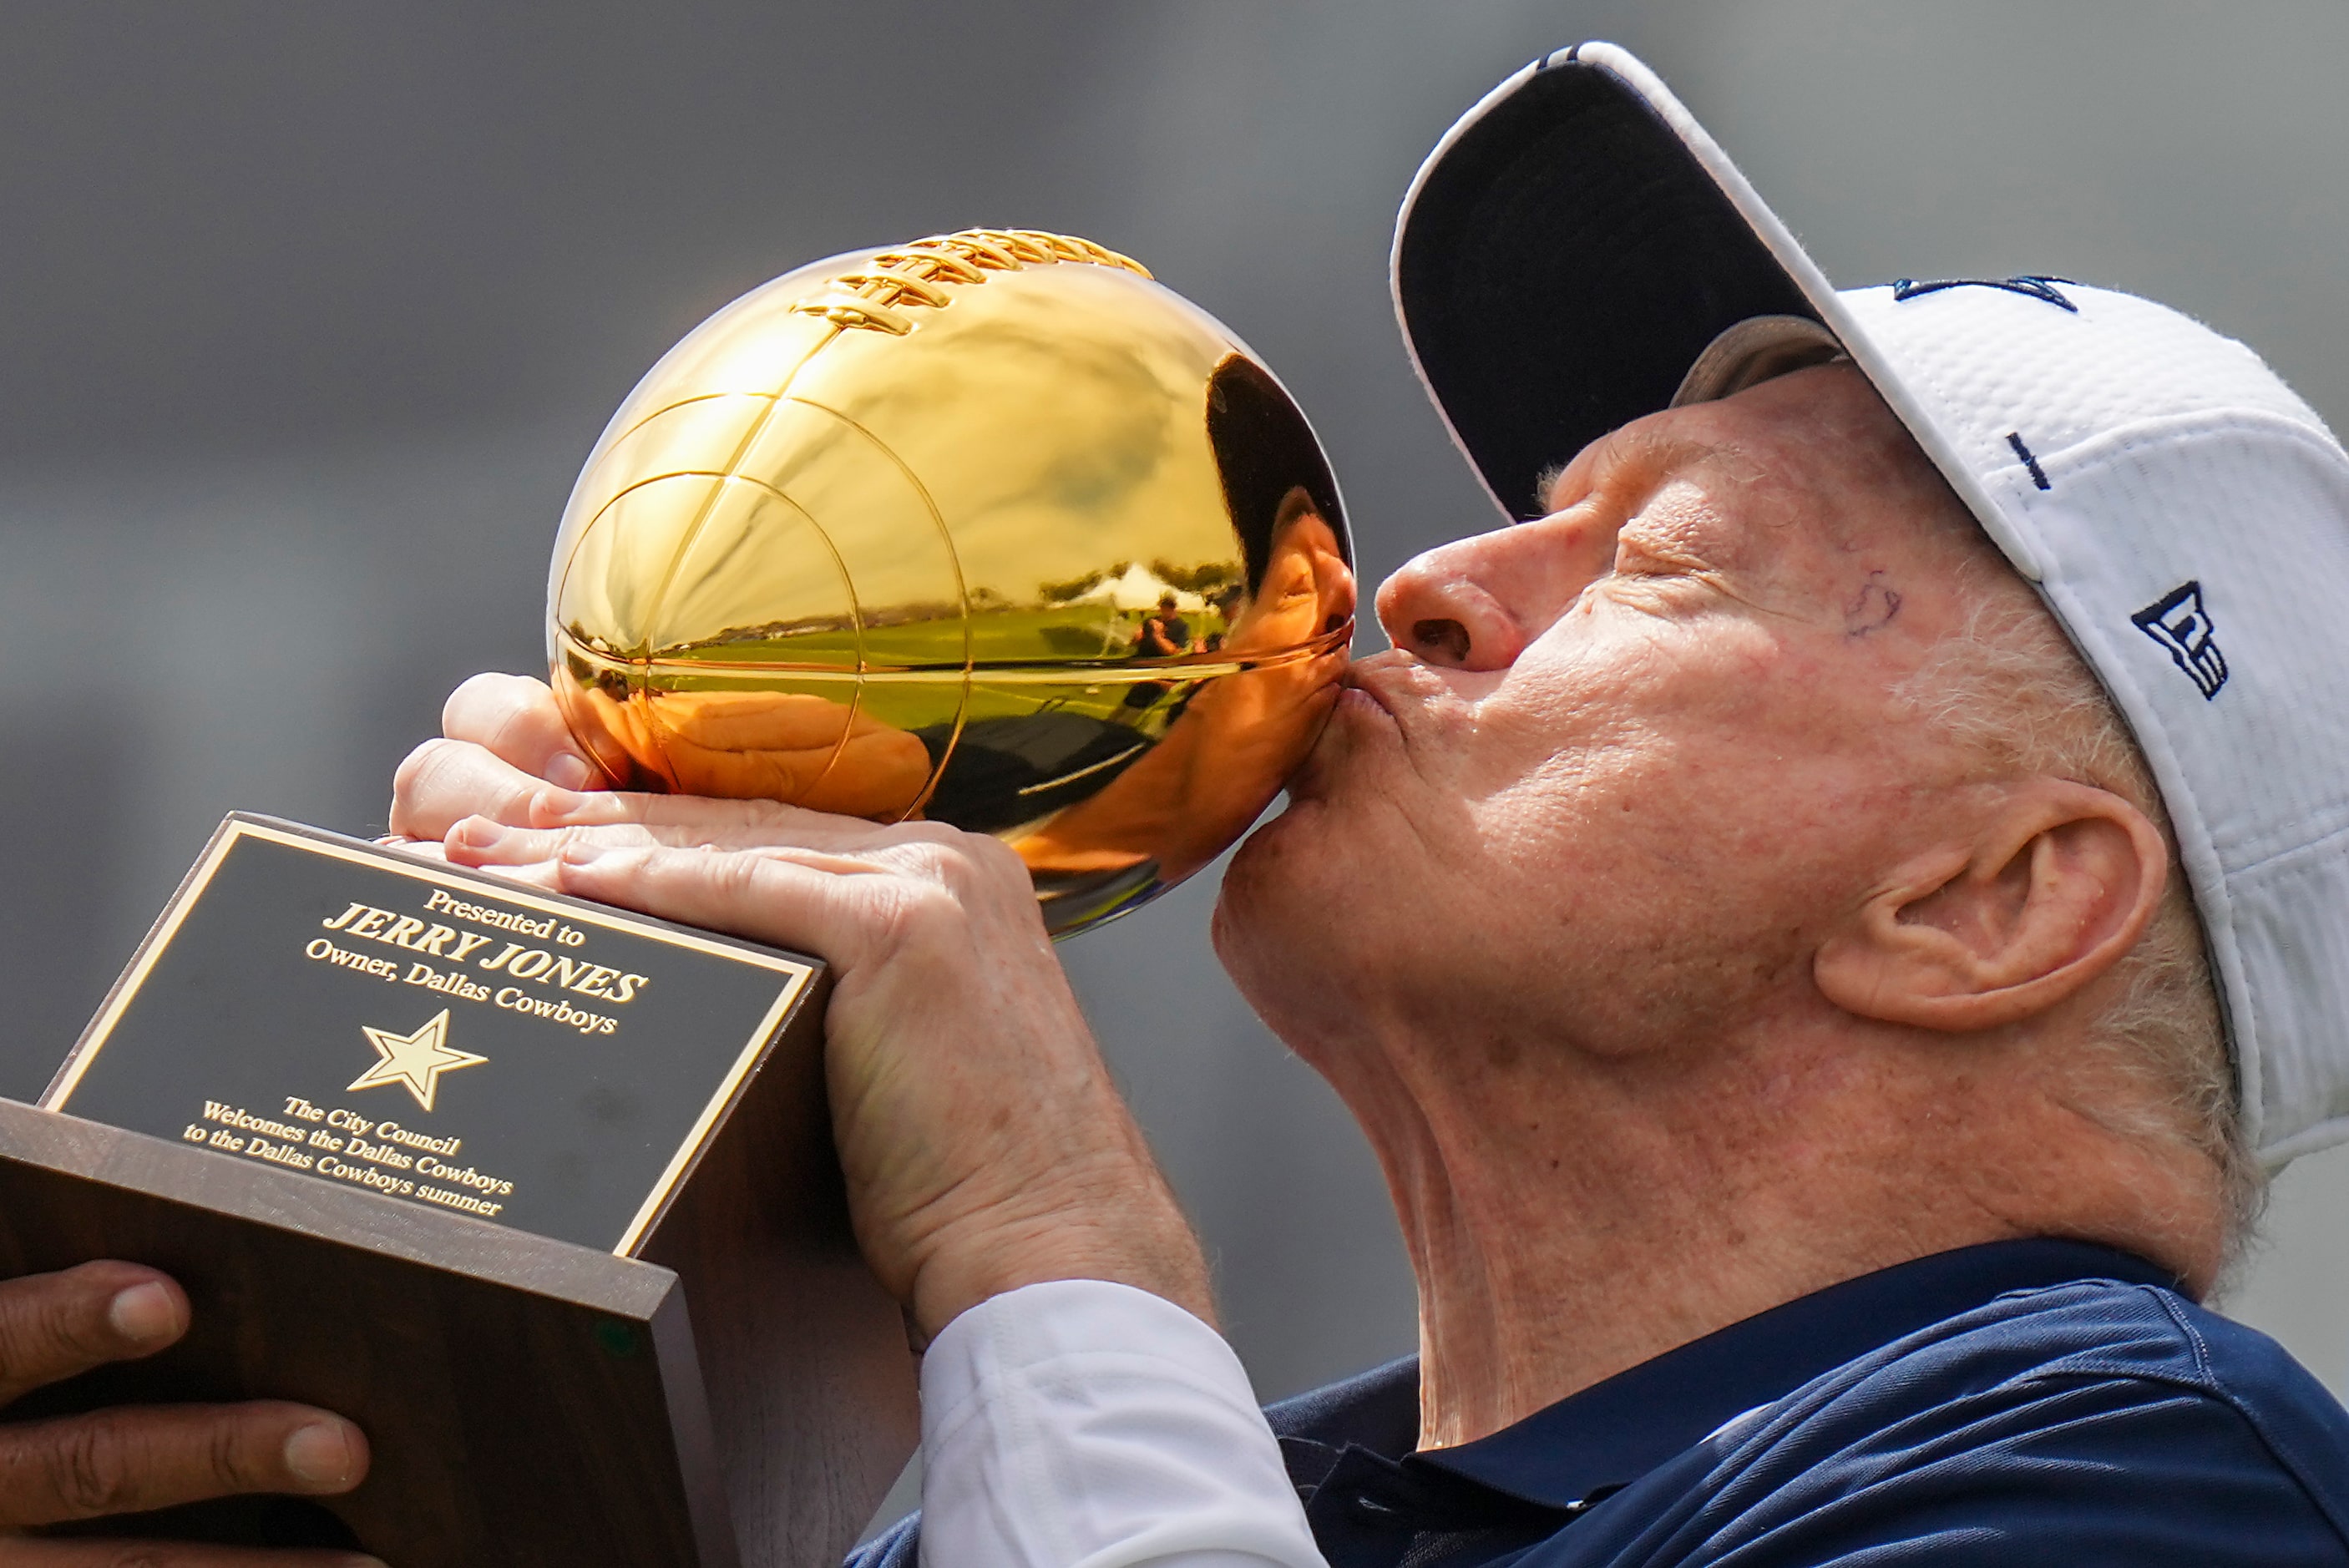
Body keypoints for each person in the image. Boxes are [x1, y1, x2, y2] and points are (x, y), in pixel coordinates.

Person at [12, 40, 2349, 1566]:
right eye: (1520, 505)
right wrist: (492, 1389)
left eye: (1651, 561)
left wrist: (1044, 1242)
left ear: (1991, 898)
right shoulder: (1201, 1492)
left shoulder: (2131, 1487)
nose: (1421, 583)